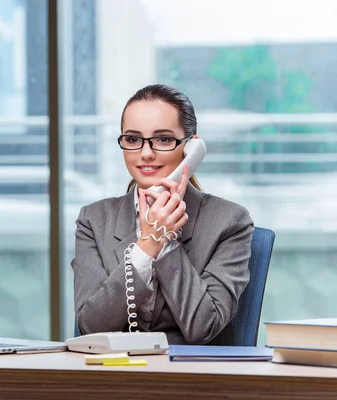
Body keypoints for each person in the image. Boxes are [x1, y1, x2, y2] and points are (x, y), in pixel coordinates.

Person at [71, 84, 253, 345]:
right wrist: (147, 246)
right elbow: (90, 328)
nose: (146, 153)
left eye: (163, 139)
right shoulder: (94, 220)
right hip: (115, 378)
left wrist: (166, 243)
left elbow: (204, 327)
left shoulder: (230, 222)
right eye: (133, 139)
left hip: (191, 379)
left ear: (192, 148)